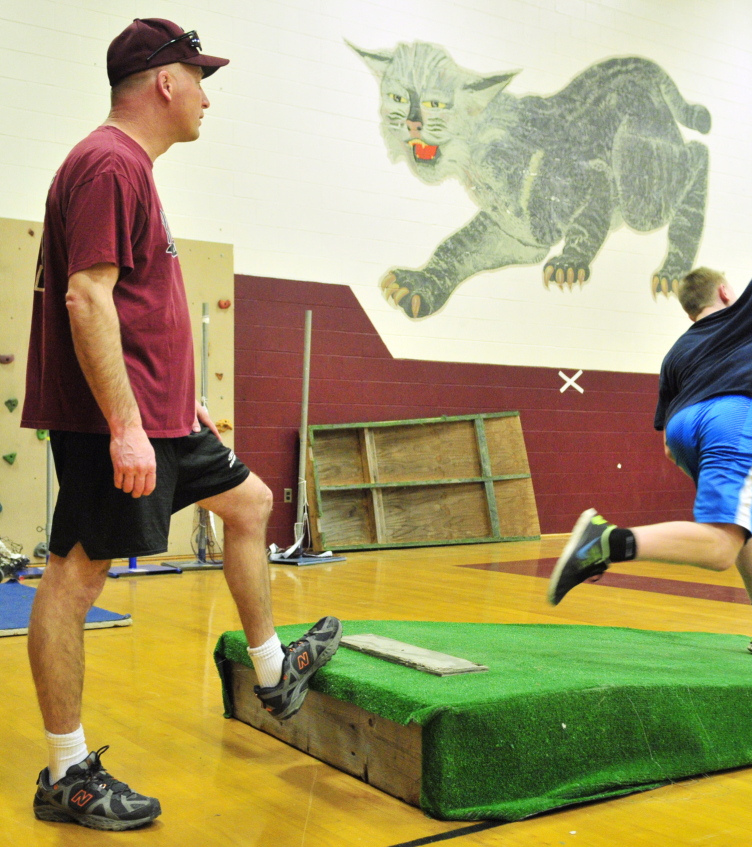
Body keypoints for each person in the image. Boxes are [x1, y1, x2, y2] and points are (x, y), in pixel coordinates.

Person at [20, 19, 341, 831]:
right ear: (165, 81)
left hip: (160, 416)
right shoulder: (107, 164)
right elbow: (85, 298)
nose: (206, 97)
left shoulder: (130, 169)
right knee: (74, 579)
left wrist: (173, 396)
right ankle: (67, 773)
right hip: (119, 427)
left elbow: (129, 308)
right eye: (200, 79)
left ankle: (273, 670)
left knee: (248, 502)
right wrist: (128, 423)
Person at [548, 121, 752, 661]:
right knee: (717, 547)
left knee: (751, 515)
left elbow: (668, 442)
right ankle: (607, 542)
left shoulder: (677, 352)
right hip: (733, 418)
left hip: (687, 429)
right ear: (726, 292)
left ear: (689, 309)